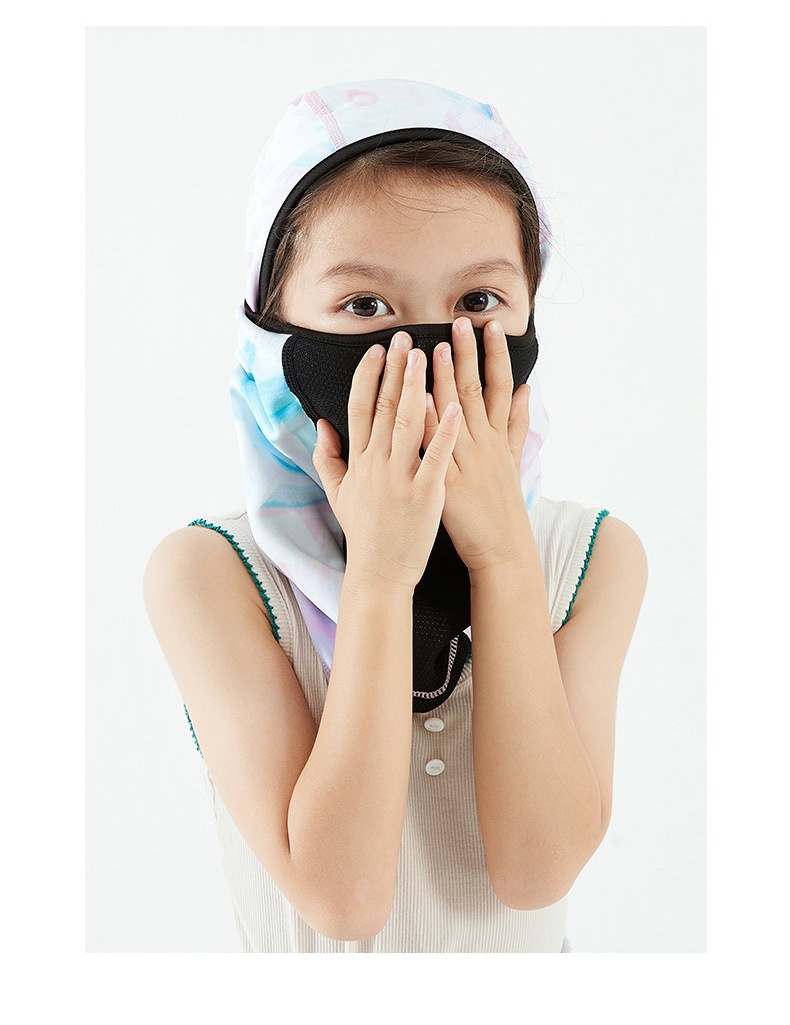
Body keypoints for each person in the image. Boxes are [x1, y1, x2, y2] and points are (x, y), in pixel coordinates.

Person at [143, 78, 648, 953]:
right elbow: (344, 900)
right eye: (364, 307)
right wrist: (379, 575)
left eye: (478, 304)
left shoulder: (590, 556)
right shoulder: (213, 573)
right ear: (269, 326)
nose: (424, 356)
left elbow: (538, 869)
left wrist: (502, 559)